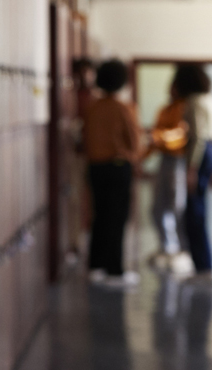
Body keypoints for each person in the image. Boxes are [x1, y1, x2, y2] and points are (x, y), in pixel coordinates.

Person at [83, 59, 141, 287]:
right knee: (117, 219)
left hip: (95, 167)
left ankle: (96, 266)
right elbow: (135, 143)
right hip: (117, 168)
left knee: (99, 216)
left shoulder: (92, 107)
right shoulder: (123, 108)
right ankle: (114, 271)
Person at [147, 87, 192, 274]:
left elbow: (181, 135)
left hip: (180, 161)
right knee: (158, 207)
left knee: (177, 205)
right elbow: (154, 136)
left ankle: (182, 250)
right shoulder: (165, 110)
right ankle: (167, 247)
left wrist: (161, 137)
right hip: (164, 160)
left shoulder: (187, 108)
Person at [174, 64, 212, 278]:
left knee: (195, 212)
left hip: (200, 154)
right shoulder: (204, 100)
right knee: (196, 209)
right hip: (206, 152)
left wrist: (192, 169)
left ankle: (203, 266)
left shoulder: (193, 102)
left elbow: (197, 138)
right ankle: (202, 263)